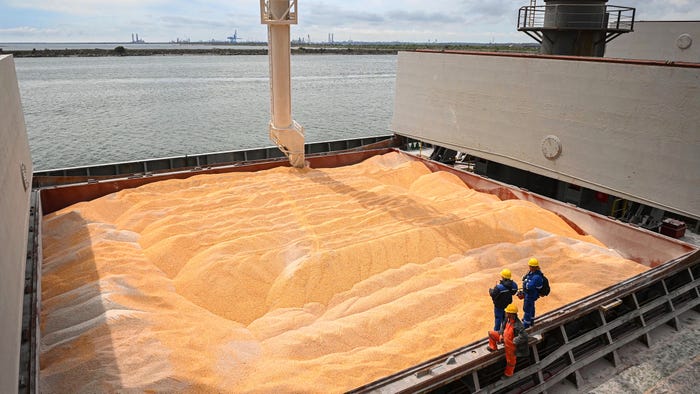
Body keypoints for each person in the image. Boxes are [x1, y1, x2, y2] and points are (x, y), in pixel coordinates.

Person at [486, 303, 529, 377]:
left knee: (510, 361)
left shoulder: (518, 325)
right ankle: (493, 347)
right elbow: (503, 327)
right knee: (491, 333)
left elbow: (524, 336)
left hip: (510, 346)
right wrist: (501, 334)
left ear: (511, 314)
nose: (505, 312)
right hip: (503, 339)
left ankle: (508, 373)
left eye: (507, 312)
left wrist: (515, 341)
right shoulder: (507, 319)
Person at [518, 257, 544, 328]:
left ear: (533, 267)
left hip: (531, 294)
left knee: (527, 308)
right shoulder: (532, 273)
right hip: (529, 293)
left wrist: (526, 283)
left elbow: (530, 286)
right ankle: (531, 320)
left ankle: (526, 324)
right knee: (531, 307)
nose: (529, 268)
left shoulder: (536, 277)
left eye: (530, 266)